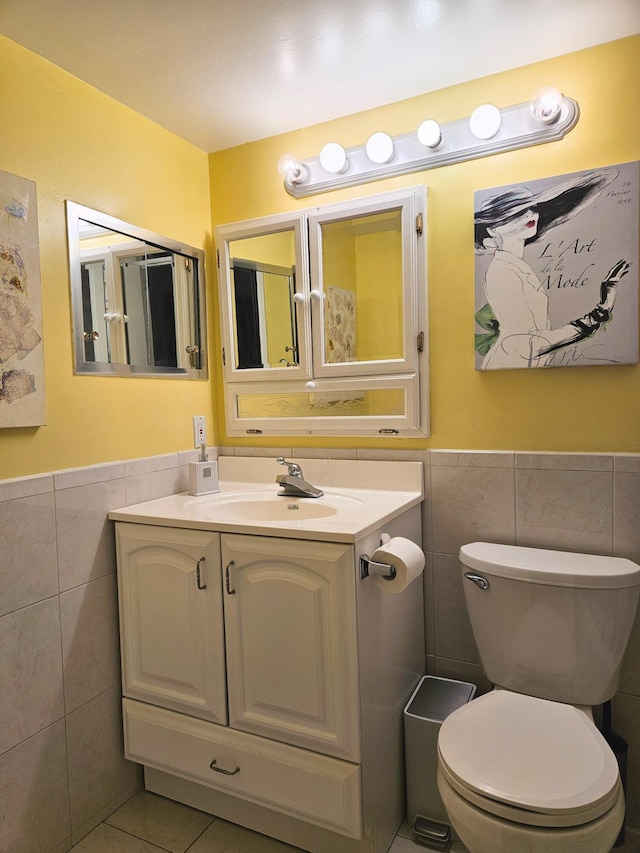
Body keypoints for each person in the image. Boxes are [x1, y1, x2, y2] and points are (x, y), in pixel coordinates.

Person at [474, 169, 630, 369]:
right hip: (512, 362)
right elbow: (524, 343)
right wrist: (597, 316)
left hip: (525, 364)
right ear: (492, 228)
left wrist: (602, 307)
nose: (531, 214)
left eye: (533, 208)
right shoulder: (502, 271)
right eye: (517, 212)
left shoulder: (515, 266)